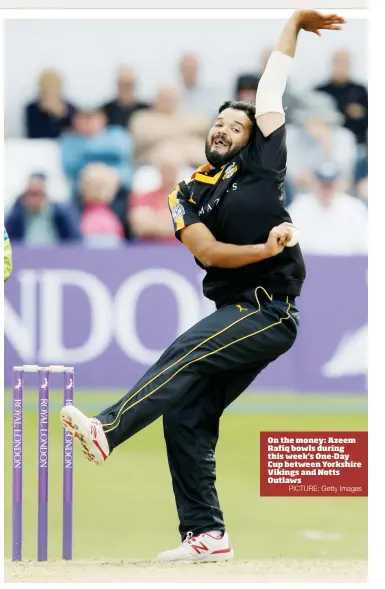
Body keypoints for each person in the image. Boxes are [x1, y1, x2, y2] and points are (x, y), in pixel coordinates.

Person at [60, 9, 344, 563]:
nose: (224, 130)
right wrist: (263, 248)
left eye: (237, 128)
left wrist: (292, 23)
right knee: (186, 415)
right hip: (239, 309)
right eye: (219, 124)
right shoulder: (186, 191)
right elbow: (207, 251)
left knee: (188, 348)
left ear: (251, 139)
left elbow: (272, 82)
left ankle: (108, 429)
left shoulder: (263, 165)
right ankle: (207, 535)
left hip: (267, 312)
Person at [288, 162, 367, 255]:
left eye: (330, 185)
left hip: (346, 265)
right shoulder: (299, 207)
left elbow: (365, 246)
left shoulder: (355, 208)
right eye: (323, 185)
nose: (326, 190)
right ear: (314, 184)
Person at [286, 91, 357, 191]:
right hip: (297, 195)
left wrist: (328, 146)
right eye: (314, 121)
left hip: (335, 195)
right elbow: (294, 176)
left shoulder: (344, 137)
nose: (319, 126)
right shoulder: (290, 135)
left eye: (324, 121)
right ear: (303, 119)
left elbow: (343, 177)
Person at [5, 173, 82, 245]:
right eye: (31, 194)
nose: (35, 200)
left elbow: (74, 240)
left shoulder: (61, 215)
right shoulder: (16, 217)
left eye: (38, 194)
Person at [128, 150, 184, 242]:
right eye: (166, 168)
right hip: (150, 250)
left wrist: (156, 219)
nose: (169, 173)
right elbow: (139, 226)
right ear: (159, 170)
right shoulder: (143, 197)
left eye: (173, 168)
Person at [315, 49, 368, 146]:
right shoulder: (320, 91)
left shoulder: (360, 90)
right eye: (338, 62)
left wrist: (361, 114)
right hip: (325, 142)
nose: (340, 66)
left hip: (356, 142)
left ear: (349, 65)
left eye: (344, 62)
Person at [25, 69, 77, 139]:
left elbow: (72, 134)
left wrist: (61, 116)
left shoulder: (70, 108)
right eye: (46, 85)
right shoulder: (31, 108)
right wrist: (46, 112)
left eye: (54, 84)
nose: (50, 88)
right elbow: (34, 134)